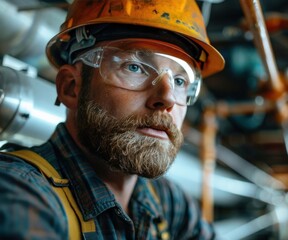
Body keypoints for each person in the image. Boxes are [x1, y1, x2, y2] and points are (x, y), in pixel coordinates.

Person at [0, 0, 224, 239]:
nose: (167, 98)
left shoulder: (165, 200)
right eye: (135, 67)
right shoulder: (17, 191)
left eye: (180, 81)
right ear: (71, 87)